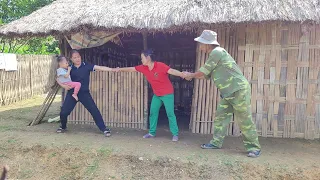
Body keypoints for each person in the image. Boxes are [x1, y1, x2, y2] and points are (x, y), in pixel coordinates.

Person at [183, 30, 261, 157]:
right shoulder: (215, 54)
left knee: (244, 119)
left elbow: (202, 72)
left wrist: (190, 75)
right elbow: (204, 75)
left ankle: (254, 147)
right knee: (221, 117)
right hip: (227, 92)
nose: (200, 45)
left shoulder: (217, 52)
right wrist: (190, 75)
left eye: (201, 43)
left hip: (238, 90)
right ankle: (216, 143)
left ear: (207, 44)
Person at [114, 49, 186, 141]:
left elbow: (171, 71)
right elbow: (132, 69)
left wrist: (181, 74)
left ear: (148, 58)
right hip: (157, 94)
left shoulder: (160, 65)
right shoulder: (143, 68)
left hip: (167, 93)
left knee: (170, 114)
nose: (141, 60)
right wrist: (119, 69)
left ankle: (175, 134)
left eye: (142, 58)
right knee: (153, 112)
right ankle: (152, 133)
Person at [56, 50, 112, 137]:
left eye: (78, 56)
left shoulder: (86, 66)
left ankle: (104, 129)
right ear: (71, 59)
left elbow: (100, 67)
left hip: (84, 93)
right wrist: (64, 86)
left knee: (94, 110)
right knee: (63, 112)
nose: (77, 59)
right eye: (75, 57)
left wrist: (113, 69)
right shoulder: (68, 68)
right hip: (72, 94)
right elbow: (57, 78)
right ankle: (63, 127)